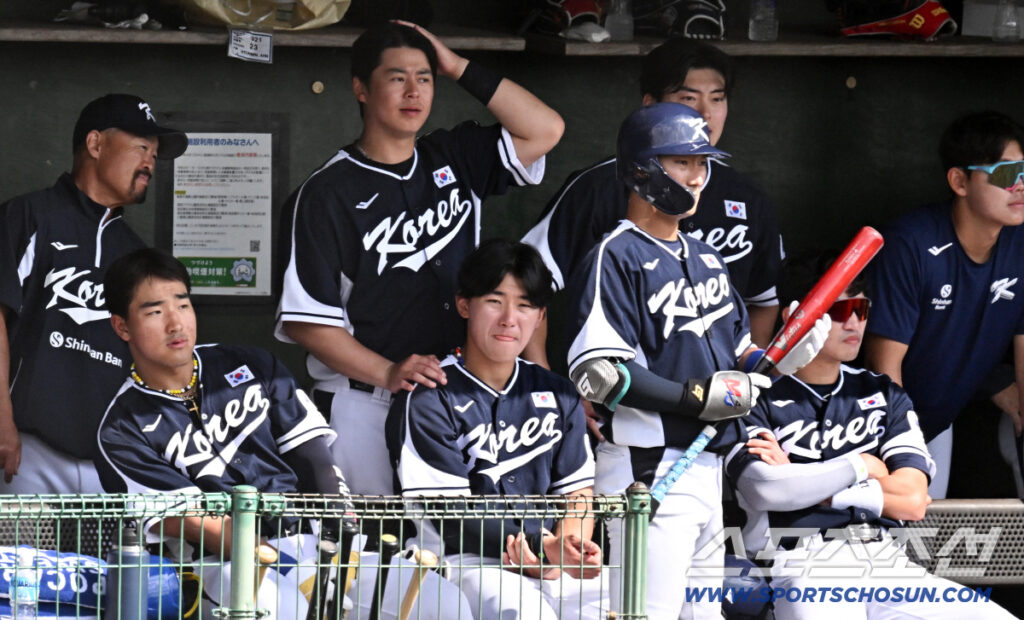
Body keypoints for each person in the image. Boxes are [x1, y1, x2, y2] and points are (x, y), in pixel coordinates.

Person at [275, 21, 564, 495]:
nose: (414, 91)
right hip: (365, 403)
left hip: (453, 398)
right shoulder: (325, 194)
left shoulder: (454, 156)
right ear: (361, 89)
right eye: (397, 78)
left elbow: (545, 129)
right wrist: (388, 372)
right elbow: (308, 322)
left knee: (452, 537)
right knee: (367, 539)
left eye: (424, 78)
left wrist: (456, 65)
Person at [564, 102, 827, 620]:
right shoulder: (614, 255)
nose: (696, 176)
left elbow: (739, 355)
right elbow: (598, 374)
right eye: (682, 162)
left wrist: (780, 360)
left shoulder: (707, 257)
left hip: (708, 469)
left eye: (702, 163)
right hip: (648, 471)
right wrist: (696, 399)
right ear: (642, 169)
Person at [725, 251, 1016, 619]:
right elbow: (768, 490)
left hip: (886, 561)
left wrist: (810, 483)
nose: (854, 323)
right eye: (840, 311)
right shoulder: (754, 394)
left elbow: (912, 499)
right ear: (794, 317)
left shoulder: (883, 393)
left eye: (860, 310)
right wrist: (863, 465)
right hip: (801, 563)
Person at [96, 248, 353, 620]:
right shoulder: (121, 429)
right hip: (218, 565)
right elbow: (198, 523)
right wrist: (292, 568)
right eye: (155, 312)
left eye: (183, 305)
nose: (175, 323)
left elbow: (314, 457)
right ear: (122, 327)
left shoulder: (249, 363)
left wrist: (341, 540)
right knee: (285, 606)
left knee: (425, 595)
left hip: (311, 538)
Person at [522, 38, 783, 371]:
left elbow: (762, 302)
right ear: (650, 106)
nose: (705, 114)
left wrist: (750, 380)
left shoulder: (741, 207)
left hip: (716, 393)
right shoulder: (599, 198)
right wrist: (544, 383)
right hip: (621, 393)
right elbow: (523, 284)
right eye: (688, 98)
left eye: (717, 98)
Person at [386, 239, 603, 620]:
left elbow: (578, 494)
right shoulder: (428, 395)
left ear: (540, 317)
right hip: (461, 562)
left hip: (548, 561)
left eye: (525, 305)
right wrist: (544, 547)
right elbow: (451, 517)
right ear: (464, 305)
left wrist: (566, 549)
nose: (509, 318)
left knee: (615, 605)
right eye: (494, 301)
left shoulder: (557, 392)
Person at [0, 93, 187, 494]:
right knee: (23, 541)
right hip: (27, 452)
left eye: (155, 154)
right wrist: (2, 421)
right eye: (141, 147)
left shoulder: (136, 254)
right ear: (95, 144)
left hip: (111, 460)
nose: (150, 162)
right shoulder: (29, 216)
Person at [865, 111, 1024, 499]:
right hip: (875, 430)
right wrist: (903, 451)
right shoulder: (911, 243)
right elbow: (884, 370)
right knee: (896, 527)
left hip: (939, 421)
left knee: (929, 529)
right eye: (1006, 173)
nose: (1019, 184)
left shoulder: (1019, 245)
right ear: (959, 181)